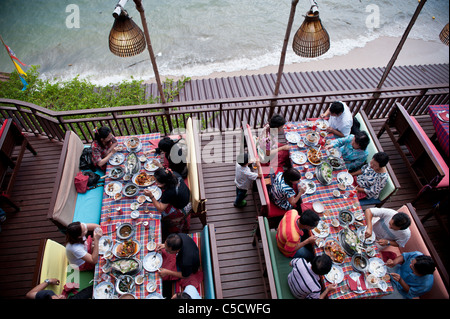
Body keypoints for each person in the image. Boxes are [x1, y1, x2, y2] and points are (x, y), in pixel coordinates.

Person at [144, 168, 192, 238]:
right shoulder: (174, 174)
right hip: (186, 196)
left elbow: (160, 208)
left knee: (161, 215)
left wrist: (151, 196)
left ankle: (168, 229)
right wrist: (159, 165)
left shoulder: (169, 192)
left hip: (183, 207)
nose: (156, 183)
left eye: (157, 182)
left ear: (162, 184)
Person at [25, 278, 93, 299]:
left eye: (57, 295)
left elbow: (29, 294)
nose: (60, 296)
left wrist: (49, 281)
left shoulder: (47, 294)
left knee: (91, 291)